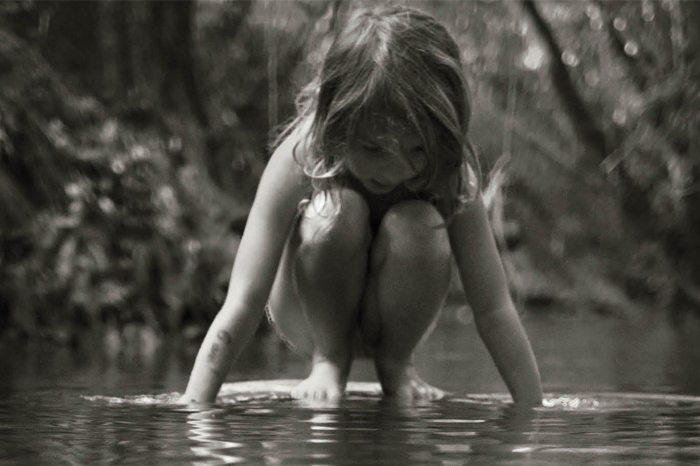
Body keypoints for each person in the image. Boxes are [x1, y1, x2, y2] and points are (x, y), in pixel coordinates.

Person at [183, 4, 542, 406]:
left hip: (394, 320)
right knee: (338, 211)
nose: (395, 169)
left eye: (417, 149)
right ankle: (329, 360)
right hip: (307, 316)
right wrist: (195, 410)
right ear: (335, 124)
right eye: (372, 148)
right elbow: (244, 300)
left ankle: (396, 364)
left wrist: (533, 413)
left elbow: (493, 309)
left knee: (419, 222)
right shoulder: (303, 154)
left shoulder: (451, 171)